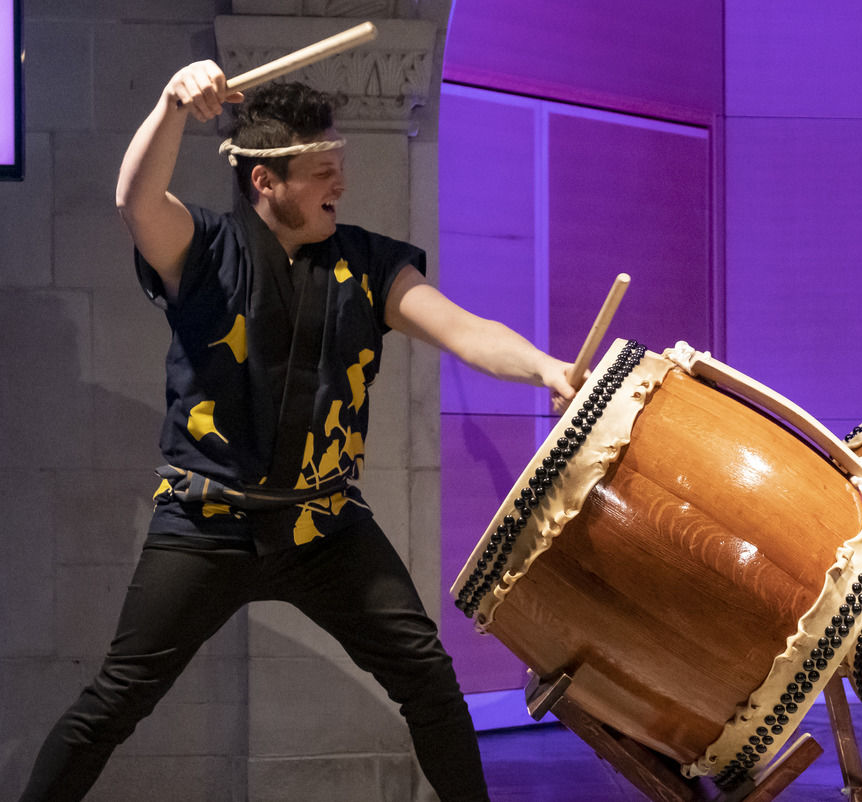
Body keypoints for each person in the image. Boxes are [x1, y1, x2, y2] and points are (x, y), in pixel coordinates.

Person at [20, 61, 577, 801]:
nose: (339, 186)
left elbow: (465, 331)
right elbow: (135, 199)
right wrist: (169, 102)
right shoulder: (206, 250)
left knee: (429, 681)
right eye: (321, 173)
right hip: (205, 521)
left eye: (338, 166)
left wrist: (544, 368)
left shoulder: (367, 264)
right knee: (116, 700)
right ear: (266, 183)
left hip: (324, 527)